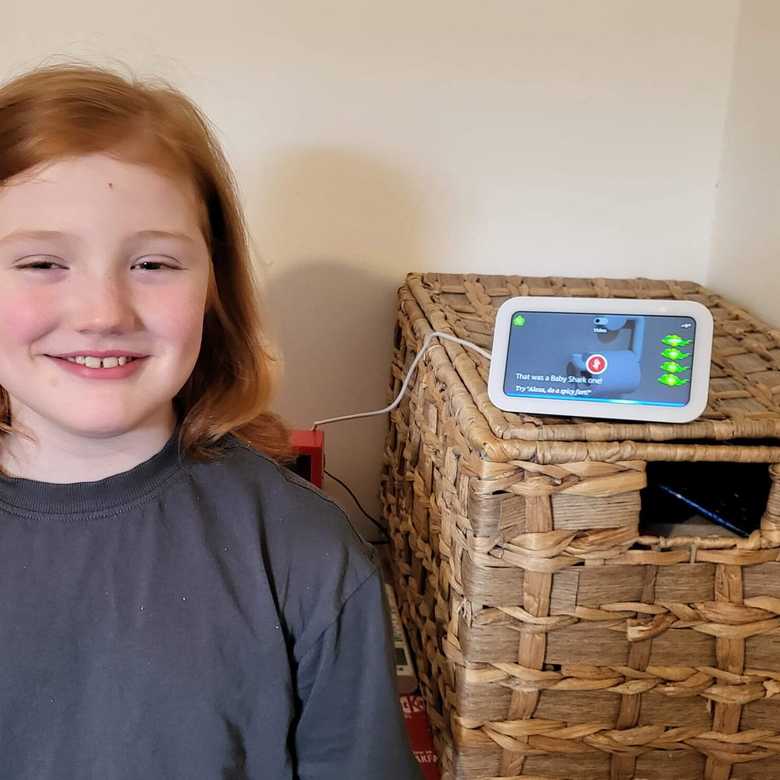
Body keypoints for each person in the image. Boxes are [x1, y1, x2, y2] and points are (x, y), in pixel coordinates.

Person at [0, 63, 422, 780]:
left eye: (155, 264)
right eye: (42, 262)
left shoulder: (308, 553)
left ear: (214, 290)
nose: (104, 313)